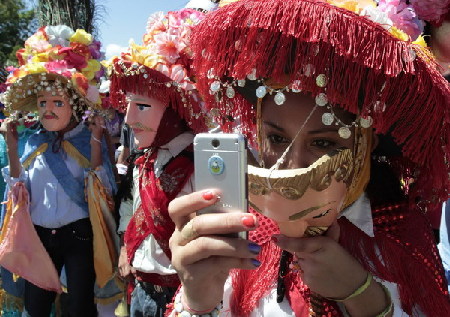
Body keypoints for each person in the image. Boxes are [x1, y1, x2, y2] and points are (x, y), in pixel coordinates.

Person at [166, 0, 450, 316]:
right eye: (276, 138)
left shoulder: (399, 237)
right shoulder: (243, 232)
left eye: (323, 143)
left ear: (367, 143)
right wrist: (198, 300)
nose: (292, 164)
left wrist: (362, 295)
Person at [0, 25, 117, 316]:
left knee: (79, 304)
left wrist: (94, 141)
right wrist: (12, 147)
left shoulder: (87, 138)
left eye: (57, 102)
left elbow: (101, 188)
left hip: (78, 235)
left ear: (73, 104)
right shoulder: (34, 141)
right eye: (43, 103)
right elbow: (19, 189)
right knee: (35, 304)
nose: (48, 110)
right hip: (38, 236)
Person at [109, 6, 216, 316]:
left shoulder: (201, 163)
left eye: (141, 106)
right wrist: (126, 247)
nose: (128, 119)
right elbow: (133, 207)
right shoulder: (144, 159)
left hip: (180, 296)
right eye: (128, 106)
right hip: (139, 288)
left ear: (174, 109)